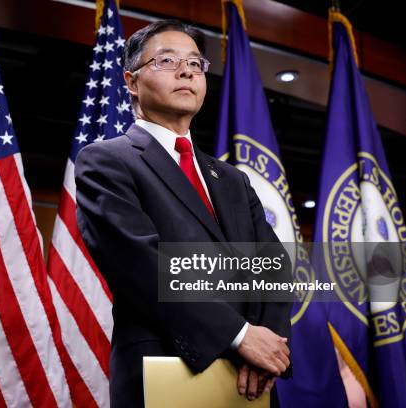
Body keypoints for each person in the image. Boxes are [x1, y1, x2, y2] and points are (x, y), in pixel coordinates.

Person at [75, 20, 292, 407]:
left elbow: (273, 265)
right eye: (167, 60)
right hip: (165, 369)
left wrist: (265, 345)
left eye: (195, 62)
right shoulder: (105, 161)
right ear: (131, 81)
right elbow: (141, 265)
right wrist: (241, 335)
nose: (186, 70)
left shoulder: (231, 179)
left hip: (252, 380)